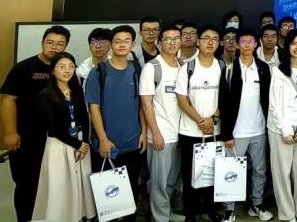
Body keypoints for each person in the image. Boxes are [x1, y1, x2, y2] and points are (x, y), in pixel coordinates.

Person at [0, 25, 70, 222]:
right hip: (27, 137)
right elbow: (8, 100)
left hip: (56, 139)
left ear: (65, 46)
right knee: (27, 185)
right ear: (42, 43)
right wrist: (10, 132)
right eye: (50, 42)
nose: (54, 47)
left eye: (60, 44)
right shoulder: (23, 68)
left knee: (53, 183)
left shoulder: (65, 69)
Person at [86, 25, 146, 222]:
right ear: (111, 44)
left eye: (126, 41)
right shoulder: (98, 72)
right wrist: (103, 139)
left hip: (133, 142)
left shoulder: (137, 70)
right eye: (117, 41)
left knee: (131, 191)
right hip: (106, 145)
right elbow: (94, 108)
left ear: (133, 44)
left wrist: (143, 132)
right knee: (108, 196)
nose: (121, 45)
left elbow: (141, 104)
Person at [33, 51, 96, 222]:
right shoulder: (46, 95)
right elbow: (52, 127)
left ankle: (79, 215)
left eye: (71, 66)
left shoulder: (77, 91)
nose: (67, 70)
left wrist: (85, 142)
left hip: (80, 144)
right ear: (53, 71)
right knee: (60, 184)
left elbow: (84, 117)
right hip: (59, 145)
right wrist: (78, 144)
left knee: (80, 182)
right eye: (61, 67)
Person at [220, 28, 275, 222]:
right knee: (232, 170)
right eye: (242, 41)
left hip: (259, 128)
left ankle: (256, 204)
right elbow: (223, 103)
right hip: (236, 132)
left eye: (250, 41)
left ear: (256, 44)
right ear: (237, 45)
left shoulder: (263, 68)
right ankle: (229, 209)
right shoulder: (229, 69)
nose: (246, 45)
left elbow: (268, 99)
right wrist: (226, 133)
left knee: (260, 170)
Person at [175, 25, 224, 222]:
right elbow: (181, 99)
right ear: (198, 42)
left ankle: (212, 211)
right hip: (190, 131)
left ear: (219, 43)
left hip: (214, 131)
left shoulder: (222, 67)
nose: (210, 42)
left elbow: (226, 99)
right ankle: (191, 214)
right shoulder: (187, 68)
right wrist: (201, 121)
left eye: (214, 39)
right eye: (206, 38)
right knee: (190, 176)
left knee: (213, 174)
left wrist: (213, 120)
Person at [268, 29, 297, 222]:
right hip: (280, 129)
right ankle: (287, 214)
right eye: (293, 43)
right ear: (287, 46)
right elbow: (274, 104)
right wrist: (285, 130)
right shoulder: (278, 71)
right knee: (282, 172)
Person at [139, 26, 185, 222]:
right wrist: (155, 133)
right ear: (159, 43)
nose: (172, 42)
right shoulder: (152, 67)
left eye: (176, 38)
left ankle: (166, 213)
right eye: (167, 39)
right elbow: (146, 104)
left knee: (171, 180)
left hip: (180, 133)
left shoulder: (182, 65)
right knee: (158, 182)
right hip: (161, 135)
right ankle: (159, 218)